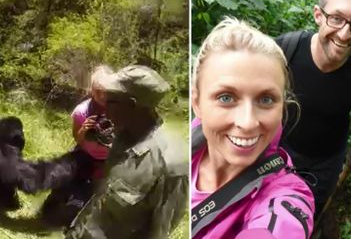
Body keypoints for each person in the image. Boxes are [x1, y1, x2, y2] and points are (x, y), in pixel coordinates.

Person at [274, 0, 351, 231]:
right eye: (336, 18)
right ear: (318, 15)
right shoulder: (283, 51)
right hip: (278, 149)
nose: (345, 34)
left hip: (326, 164)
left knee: (307, 218)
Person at [190, 18, 314, 239]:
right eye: (226, 97)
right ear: (197, 103)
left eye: (266, 100)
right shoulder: (185, 144)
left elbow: (281, 226)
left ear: (282, 107)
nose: (247, 123)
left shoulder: (285, 196)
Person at [65, 65, 188, 239]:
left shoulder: (171, 163)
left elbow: (159, 231)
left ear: (131, 105)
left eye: (109, 101)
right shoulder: (124, 136)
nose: (103, 109)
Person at [40, 65, 115, 226]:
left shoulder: (119, 110)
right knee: (63, 179)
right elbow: (78, 140)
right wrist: (84, 130)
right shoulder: (82, 111)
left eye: (106, 91)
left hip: (109, 160)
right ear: (91, 89)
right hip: (84, 155)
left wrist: (111, 139)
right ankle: (52, 207)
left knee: (97, 196)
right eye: (98, 90)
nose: (102, 95)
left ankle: (82, 210)